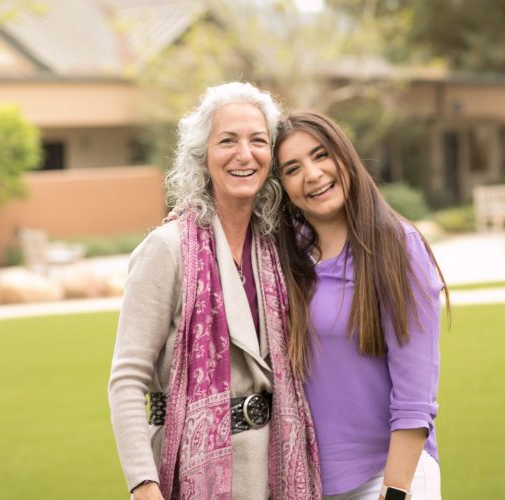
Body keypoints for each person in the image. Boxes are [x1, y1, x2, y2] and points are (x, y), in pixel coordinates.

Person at [108, 83, 321, 500]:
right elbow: (126, 378)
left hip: (276, 468)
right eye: (228, 141)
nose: (244, 154)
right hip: (191, 473)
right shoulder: (167, 248)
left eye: (258, 141)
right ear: (202, 156)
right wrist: (142, 485)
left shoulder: (281, 246)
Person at [273, 111, 448, 500]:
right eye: (292, 168)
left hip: (389, 476)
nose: (313, 174)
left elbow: (415, 395)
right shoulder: (284, 258)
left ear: (345, 156)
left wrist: (397, 489)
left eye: (321, 155)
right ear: (281, 186)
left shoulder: (397, 248)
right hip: (311, 483)